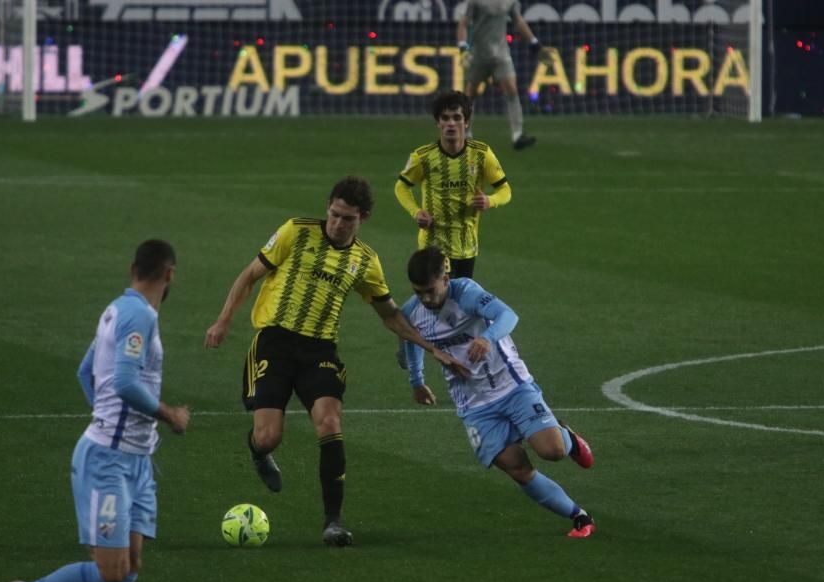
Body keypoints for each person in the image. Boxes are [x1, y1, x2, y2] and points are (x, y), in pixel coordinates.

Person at [204, 176, 468, 547]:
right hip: (275, 343)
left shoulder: (365, 260)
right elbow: (250, 275)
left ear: (364, 218)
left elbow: (389, 313)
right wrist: (223, 320)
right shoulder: (295, 232)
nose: (338, 224)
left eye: (347, 219)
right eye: (334, 214)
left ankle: (333, 522)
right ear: (327, 208)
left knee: (329, 422)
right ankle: (258, 452)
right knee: (268, 436)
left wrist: (431, 348)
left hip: (320, 351)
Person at [0, 240, 190, 582]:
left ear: (132, 268)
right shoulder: (139, 315)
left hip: (134, 460)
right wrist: (167, 414)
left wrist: (116, 421)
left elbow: (87, 372)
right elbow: (122, 382)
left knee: (128, 570)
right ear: (170, 274)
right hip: (109, 462)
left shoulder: (117, 309)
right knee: (111, 571)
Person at [399, 246, 596, 538]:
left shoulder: (465, 292)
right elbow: (410, 341)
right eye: (419, 292)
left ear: (446, 277)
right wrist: (417, 381)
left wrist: (487, 338)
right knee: (516, 467)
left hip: (512, 384)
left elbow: (507, 315)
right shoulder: (412, 311)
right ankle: (579, 517)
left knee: (551, 451)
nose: (426, 299)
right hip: (473, 403)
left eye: (430, 290)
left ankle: (567, 438)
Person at [394, 90, 512, 280]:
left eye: (457, 118)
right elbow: (401, 187)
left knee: (459, 306)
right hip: (433, 247)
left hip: (468, 248)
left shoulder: (481, 154)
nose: (451, 123)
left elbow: (505, 190)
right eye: (445, 118)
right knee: (443, 302)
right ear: (437, 122)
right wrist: (416, 212)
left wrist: (490, 201)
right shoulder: (422, 157)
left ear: (466, 122)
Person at [457, 0, 543, 150]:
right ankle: (465, 135)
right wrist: (463, 47)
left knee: (511, 89)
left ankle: (518, 135)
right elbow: (463, 23)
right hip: (478, 53)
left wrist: (533, 41)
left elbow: (518, 21)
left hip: (501, 53)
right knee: (470, 93)